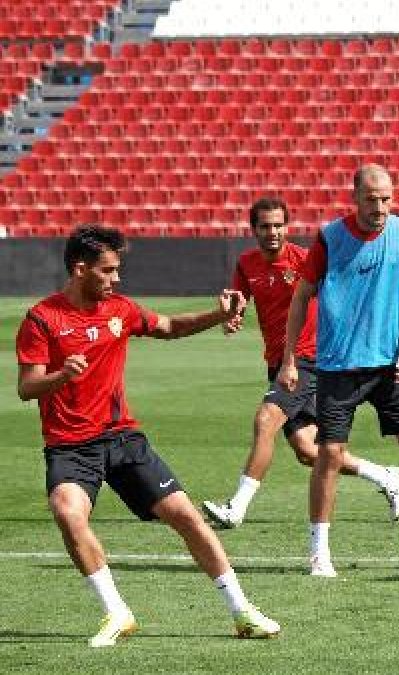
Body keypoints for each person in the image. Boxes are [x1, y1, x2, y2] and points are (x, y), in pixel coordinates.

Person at [14, 226, 279, 647]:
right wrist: (61, 375)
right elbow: (26, 387)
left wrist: (218, 315)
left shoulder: (120, 309)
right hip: (70, 445)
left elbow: (170, 326)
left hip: (122, 439)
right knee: (68, 512)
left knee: (187, 516)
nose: (117, 278)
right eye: (108, 270)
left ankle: (241, 610)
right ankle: (117, 612)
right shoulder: (43, 319)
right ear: (81, 269)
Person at [278, 164, 399, 577]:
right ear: (355, 197)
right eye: (371, 199)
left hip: (390, 364)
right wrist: (290, 358)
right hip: (339, 365)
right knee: (328, 454)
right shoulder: (330, 238)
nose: (379, 207)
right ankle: (319, 551)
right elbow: (302, 295)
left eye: (386, 199)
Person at [201, 197, 399, 529]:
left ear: (287, 226)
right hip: (278, 363)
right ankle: (385, 475)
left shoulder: (303, 261)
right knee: (308, 451)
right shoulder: (246, 264)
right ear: (253, 229)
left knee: (266, 419)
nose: (272, 232)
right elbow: (236, 307)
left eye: (278, 225)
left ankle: (236, 508)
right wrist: (229, 317)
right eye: (265, 226)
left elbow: (339, 295)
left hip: (306, 360)